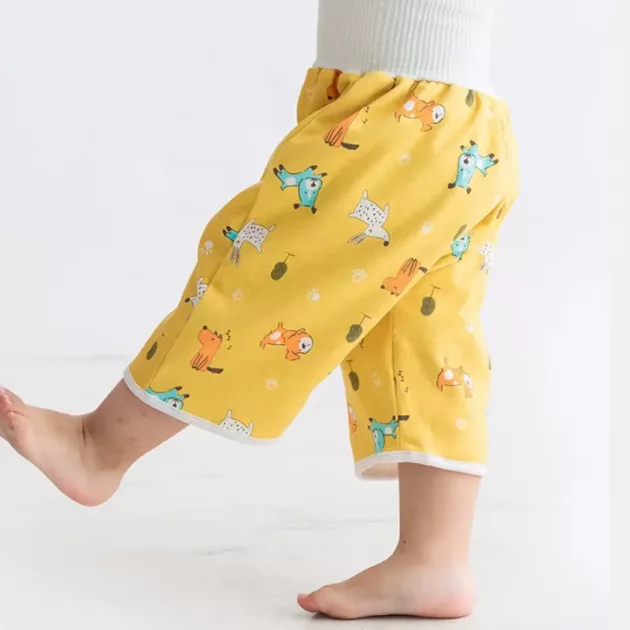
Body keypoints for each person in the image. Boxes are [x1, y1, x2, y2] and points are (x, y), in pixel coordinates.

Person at [0, 0, 518, 620]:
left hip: (408, 114)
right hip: (463, 126)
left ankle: (100, 446)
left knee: (260, 274)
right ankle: (436, 558)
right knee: (425, 334)